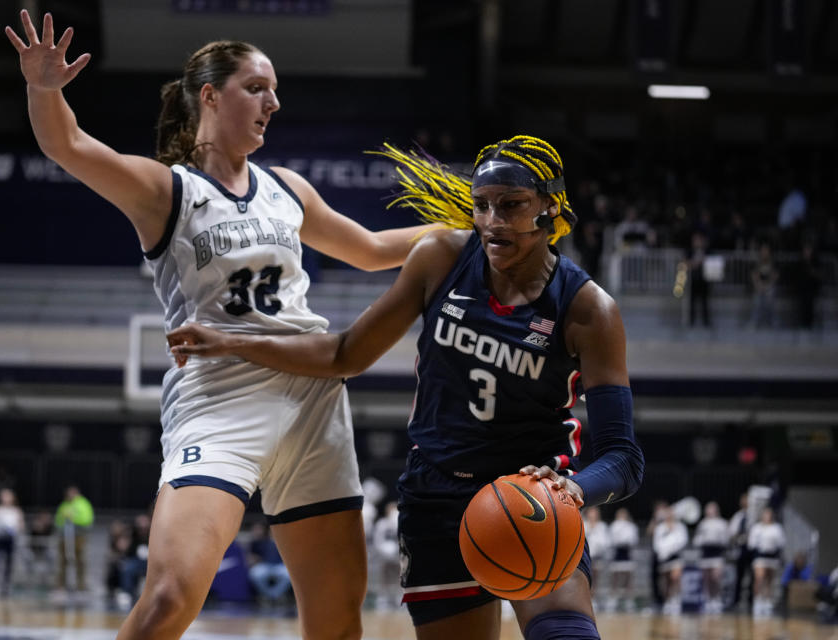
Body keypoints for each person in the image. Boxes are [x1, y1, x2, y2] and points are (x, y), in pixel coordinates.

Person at [5, 9, 437, 639]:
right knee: (169, 600)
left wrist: (470, 229)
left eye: (275, 91)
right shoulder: (167, 190)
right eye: (257, 88)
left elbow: (371, 250)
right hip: (221, 399)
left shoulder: (286, 188)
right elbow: (67, 145)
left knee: (339, 622)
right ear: (209, 95)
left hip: (313, 397)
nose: (273, 102)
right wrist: (44, 90)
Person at [168, 134, 645, 640]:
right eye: (481, 206)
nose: (492, 221)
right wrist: (231, 341)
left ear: (549, 208)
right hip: (437, 496)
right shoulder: (440, 257)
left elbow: (622, 458)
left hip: (532, 496)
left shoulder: (588, 308)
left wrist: (571, 489)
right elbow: (343, 353)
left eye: (511, 206)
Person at [53, 485, 94, 594]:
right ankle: (61, 586)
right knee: (62, 562)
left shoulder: (83, 504)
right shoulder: (64, 505)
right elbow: (58, 520)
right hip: (65, 537)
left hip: (79, 536)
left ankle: (80, 586)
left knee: (80, 561)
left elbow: (87, 519)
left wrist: (73, 518)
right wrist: (63, 521)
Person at [692, 501, 730, 614]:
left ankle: (716, 599)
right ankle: (708, 599)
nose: (710, 512)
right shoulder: (703, 524)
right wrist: (703, 540)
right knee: (707, 579)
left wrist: (717, 539)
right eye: (708, 509)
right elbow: (697, 539)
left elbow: (726, 539)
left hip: (717, 554)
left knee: (716, 578)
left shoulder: (722, 523)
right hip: (705, 554)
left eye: (712, 509)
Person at [748, 506, 786, 617]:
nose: (767, 517)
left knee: (769, 580)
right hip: (760, 556)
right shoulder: (757, 528)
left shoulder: (777, 528)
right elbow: (751, 544)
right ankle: (757, 600)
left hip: (772, 557)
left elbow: (781, 543)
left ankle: (767, 600)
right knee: (759, 578)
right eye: (765, 514)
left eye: (769, 514)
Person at [0, 487, 25, 596]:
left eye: (8, 496)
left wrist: (14, 529)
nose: (5, 498)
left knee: (8, 563)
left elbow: (21, 525)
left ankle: (5, 585)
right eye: (3, 496)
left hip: (10, 539)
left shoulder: (16, 511)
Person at [652, 505, 688, 616]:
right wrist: (664, 551)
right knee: (666, 581)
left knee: (675, 578)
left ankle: (676, 600)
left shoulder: (680, 527)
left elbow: (682, 541)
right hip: (664, 558)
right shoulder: (660, 528)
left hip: (675, 557)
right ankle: (667, 601)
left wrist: (671, 548)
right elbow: (657, 544)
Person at [607, 507, 639, 612]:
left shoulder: (631, 527)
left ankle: (629, 600)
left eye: (623, 515)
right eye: (620, 515)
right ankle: (613, 599)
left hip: (627, 554)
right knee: (615, 578)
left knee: (628, 579)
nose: (622, 517)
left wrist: (625, 539)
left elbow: (633, 539)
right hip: (617, 554)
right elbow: (612, 539)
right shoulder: (614, 526)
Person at [582, 507, 610, 610]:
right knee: (585, 580)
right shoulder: (583, 524)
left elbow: (604, 542)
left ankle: (593, 600)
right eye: (591, 513)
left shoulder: (602, 526)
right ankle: (586, 599)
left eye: (595, 513)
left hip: (597, 557)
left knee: (595, 580)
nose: (593, 515)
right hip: (585, 557)